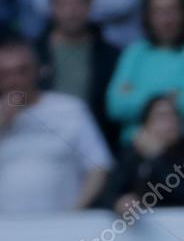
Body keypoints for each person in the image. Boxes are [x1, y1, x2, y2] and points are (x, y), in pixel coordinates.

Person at [0, 37, 112, 214]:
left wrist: (75, 212)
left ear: (37, 71)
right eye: (5, 74)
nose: (15, 80)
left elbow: (98, 167)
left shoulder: (70, 108)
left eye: (22, 71)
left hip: (60, 227)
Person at [106, 0, 184, 144]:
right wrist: (171, 95)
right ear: (148, 16)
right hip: (136, 147)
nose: (166, 18)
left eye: (172, 10)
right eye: (158, 11)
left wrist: (136, 93)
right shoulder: (135, 51)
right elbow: (115, 106)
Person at [34, 0, 119, 148]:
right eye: (63, 3)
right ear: (52, 6)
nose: (71, 11)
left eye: (79, 2)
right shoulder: (31, 54)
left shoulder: (111, 56)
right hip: (39, 143)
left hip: (93, 144)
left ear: (90, 5)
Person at [100, 96, 184, 214]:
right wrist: (120, 203)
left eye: (174, 115)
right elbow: (108, 193)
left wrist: (157, 157)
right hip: (139, 229)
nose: (170, 121)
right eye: (161, 116)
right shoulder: (133, 153)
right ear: (146, 124)